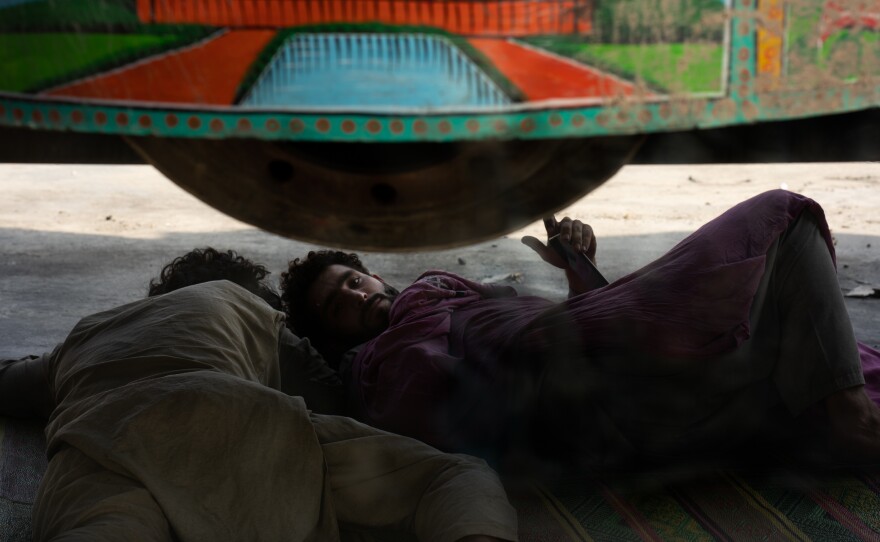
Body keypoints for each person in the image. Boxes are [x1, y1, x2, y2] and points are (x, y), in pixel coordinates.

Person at [280, 189, 880, 469]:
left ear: (372, 273)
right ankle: (850, 416)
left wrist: (578, 269)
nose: (356, 296)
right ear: (335, 337)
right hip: (608, 403)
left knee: (793, 283)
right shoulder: (379, 365)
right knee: (779, 214)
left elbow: (593, 320)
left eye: (352, 280)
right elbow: (473, 402)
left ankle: (837, 407)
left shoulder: (438, 293)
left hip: (630, 361)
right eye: (338, 303)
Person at [1, 247, 344, 418]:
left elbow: (10, 380)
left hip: (102, 464)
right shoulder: (262, 325)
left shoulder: (95, 335)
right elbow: (337, 402)